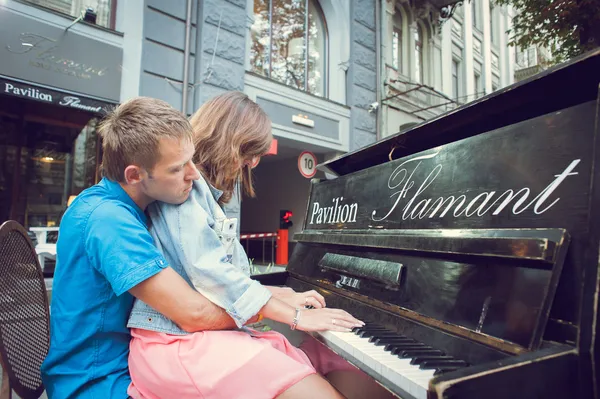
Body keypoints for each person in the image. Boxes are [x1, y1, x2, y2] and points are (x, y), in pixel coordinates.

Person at [126, 91, 364, 399]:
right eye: (248, 151)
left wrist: (283, 294)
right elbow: (210, 273)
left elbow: (220, 278)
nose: (252, 162)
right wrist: (297, 316)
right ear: (226, 140)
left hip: (195, 339)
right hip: (176, 346)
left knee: (318, 366)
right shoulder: (183, 191)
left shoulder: (203, 195)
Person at [41, 97, 262, 398]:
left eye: (191, 160)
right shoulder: (109, 219)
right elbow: (193, 314)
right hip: (98, 383)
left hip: (124, 366)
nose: (193, 174)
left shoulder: (124, 205)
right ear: (134, 175)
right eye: (177, 168)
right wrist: (264, 308)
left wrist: (270, 297)